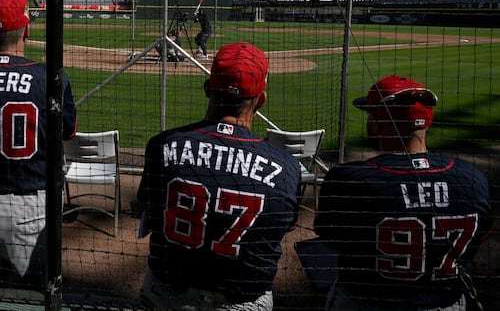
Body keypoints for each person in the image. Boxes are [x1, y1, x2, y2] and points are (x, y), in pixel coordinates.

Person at [137, 42, 301, 310]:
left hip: (166, 296)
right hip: (241, 302)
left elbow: (149, 210)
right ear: (261, 99)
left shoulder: (162, 146)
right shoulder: (286, 167)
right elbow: (281, 229)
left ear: (207, 89)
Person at [314, 75, 493, 311]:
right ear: (427, 122)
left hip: (367, 304)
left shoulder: (349, 179)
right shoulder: (471, 177)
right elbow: (481, 236)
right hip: (446, 304)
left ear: (377, 124)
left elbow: (331, 238)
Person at [0, 0, 78, 290]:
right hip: (29, 205)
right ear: (27, 29)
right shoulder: (50, 77)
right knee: (30, 296)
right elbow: (67, 132)